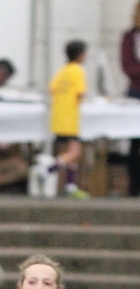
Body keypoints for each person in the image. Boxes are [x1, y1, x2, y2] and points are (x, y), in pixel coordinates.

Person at [49, 40, 89, 198]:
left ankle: (70, 185)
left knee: (68, 154)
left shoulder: (63, 70)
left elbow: (51, 89)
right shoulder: (78, 70)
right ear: (80, 55)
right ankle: (48, 169)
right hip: (71, 117)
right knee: (75, 152)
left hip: (58, 115)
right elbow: (80, 93)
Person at [121, 0, 140, 196]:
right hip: (137, 90)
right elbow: (128, 65)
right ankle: (134, 184)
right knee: (135, 141)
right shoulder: (130, 37)